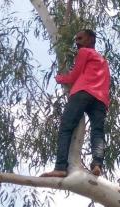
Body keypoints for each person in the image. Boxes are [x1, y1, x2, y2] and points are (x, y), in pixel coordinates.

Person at [41, 29, 110, 177]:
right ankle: (97, 163)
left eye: (80, 38)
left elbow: (75, 75)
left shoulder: (85, 52)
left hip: (83, 92)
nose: (77, 42)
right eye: (76, 39)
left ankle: (60, 167)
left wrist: (61, 79)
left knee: (66, 128)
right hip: (101, 99)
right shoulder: (103, 61)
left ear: (91, 40)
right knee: (97, 131)